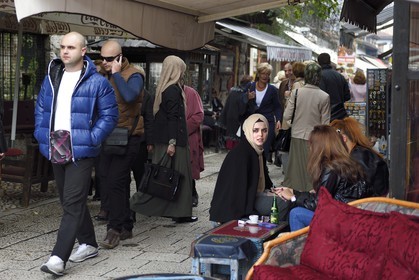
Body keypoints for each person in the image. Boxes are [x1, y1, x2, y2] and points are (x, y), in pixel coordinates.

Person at [35, 32, 118, 276]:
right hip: (55, 144)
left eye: (71, 47)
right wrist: (42, 136)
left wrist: (91, 138)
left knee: (71, 204)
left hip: (80, 147)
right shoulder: (52, 77)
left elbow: (110, 116)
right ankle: (89, 243)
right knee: (69, 200)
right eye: (62, 47)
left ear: (83, 51)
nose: (65, 51)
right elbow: (41, 107)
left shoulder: (97, 82)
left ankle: (58, 258)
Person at [130, 55, 197, 223]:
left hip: (167, 141)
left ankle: (179, 212)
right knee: (172, 177)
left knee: (165, 177)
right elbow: (173, 118)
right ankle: (131, 205)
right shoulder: (173, 90)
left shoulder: (164, 89)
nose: (183, 72)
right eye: (181, 68)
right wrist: (173, 143)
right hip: (174, 142)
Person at [96, 39, 146, 249]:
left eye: (109, 59)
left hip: (128, 136)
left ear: (119, 57)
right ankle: (126, 224)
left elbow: (129, 96)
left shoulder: (134, 74)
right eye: (103, 58)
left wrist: (116, 73)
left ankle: (114, 228)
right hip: (106, 135)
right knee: (111, 181)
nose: (105, 62)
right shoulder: (101, 74)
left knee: (115, 180)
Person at [275, 125, 370, 231]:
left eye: (311, 145)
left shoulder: (331, 168)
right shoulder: (343, 163)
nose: (310, 148)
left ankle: (302, 247)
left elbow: (319, 204)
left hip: (342, 222)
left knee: (296, 214)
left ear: (318, 147)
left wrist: (293, 197)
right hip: (349, 216)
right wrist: (294, 192)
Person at [209, 114, 288, 225]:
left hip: (249, 199)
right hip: (230, 213)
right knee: (282, 204)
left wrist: (274, 191)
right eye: (255, 130)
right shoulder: (242, 154)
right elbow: (236, 193)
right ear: (247, 131)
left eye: (264, 130)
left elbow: (263, 182)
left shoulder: (257, 151)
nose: (260, 135)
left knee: (284, 199)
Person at [282, 62, 330, 192]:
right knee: (312, 171)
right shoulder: (324, 96)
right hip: (314, 138)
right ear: (319, 77)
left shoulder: (297, 92)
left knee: (295, 171)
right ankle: (310, 198)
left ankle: (293, 197)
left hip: (296, 135)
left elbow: (286, 115)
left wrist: (293, 123)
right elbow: (325, 123)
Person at [330, 117, 389, 196]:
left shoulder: (359, 157)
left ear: (344, 138)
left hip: (370, 204)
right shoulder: (360, 153)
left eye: (333, 142)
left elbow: (359, 192)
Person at [243, 63, 282, 162]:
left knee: (264, 148)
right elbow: (241, 101)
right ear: (259, 74)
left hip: (267, 123)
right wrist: (247, 98)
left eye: (267, 74)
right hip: (252, 122)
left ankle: (262, 170)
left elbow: (277, 106)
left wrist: (278, 120)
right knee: (251, 148)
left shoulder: (272, 90)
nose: (265, 76)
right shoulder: (250, 86)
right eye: (263, 73)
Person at [184, 85, 204, 207]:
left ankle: (192, 193)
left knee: (189, 165)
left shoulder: (191, 93)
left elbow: (198, 115)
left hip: (189, 135)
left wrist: (183, 129)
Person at [317, 53, 351, 121]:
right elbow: (347, 96)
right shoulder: (340, 76)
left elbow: (319, 97)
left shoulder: (319, 77)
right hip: (341, 114)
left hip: (326, 115)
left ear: (318, 63)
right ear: (329, 61)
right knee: (338, 131)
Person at [219, 75, 253, 141]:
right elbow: (242, 109)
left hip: (229, 117)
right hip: (238, 119)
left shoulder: (233, 91)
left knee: (231, 140)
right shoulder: (244, 93)